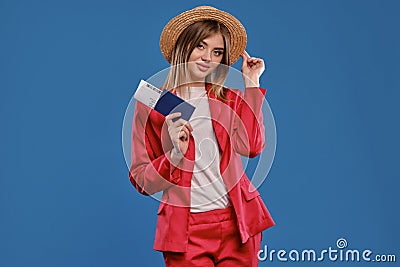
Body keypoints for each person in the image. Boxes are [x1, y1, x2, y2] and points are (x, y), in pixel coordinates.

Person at [129, 6, 274, 267]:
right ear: (183, 48)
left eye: (217, 52)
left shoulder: (228, 99)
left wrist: (251, 82)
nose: (207, 57)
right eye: (200, 46)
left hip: (237, 225)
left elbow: (252, 147)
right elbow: (142, 180)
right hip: (186, 231)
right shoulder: (152, 102)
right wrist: (174, 155)